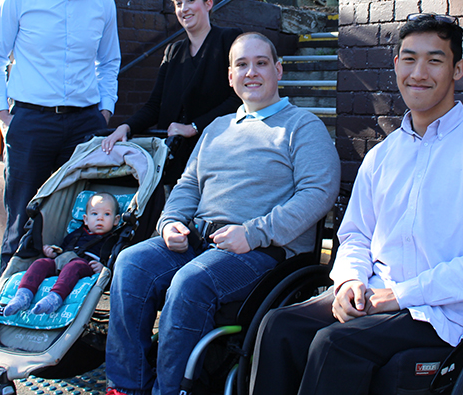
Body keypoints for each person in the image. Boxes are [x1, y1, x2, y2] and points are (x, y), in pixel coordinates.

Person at [249, 14, 463, 395]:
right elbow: (356, 234)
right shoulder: (382, 156)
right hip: (376, 293)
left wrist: (399, 296)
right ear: (396, 66)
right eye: (408, 59)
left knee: (335, 343)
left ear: (458, 69)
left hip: (446, 311)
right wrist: (349, 281)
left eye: (435, 60)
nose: (418, 73)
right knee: (279, 327)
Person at [105, 32, 341, 395]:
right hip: (198, 239)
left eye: (261, 63)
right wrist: (169, 222)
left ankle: (171, 390)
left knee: (190, 283)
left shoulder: (302, 126)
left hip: (261, 252)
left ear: (278, 70)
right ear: (230, 77)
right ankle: (127, 387)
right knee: (130, 264)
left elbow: (318, 193)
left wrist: (254, 233)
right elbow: (188, 186)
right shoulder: (216, 129)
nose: (252, 72)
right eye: (241, 65)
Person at [0, 0, 121, 274]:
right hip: (30, 122)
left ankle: (63, 306)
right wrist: (3, 116)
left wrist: (104, 113)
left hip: (84, 124)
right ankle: (4, 300)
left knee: (78, 215)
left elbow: (109, 62)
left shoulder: (103, 2)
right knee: (22, 212)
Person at [101, 0, 242, 186]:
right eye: (178, 3)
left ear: (208, 4)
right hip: (174, 158)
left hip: (214, 154)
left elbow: (238, 99)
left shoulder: (229, 40)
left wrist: (193, 126)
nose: (184, 8)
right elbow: (155, 105)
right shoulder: (173, 51)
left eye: (190, 0)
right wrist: (126, 127)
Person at [1, 192, 120, 316]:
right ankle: (23, 295)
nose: (100, 218)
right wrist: (52, 253)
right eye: (94, 214)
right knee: (40, 263)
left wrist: (103, 267)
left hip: (85, 266)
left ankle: (55, 297)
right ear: (85, 219)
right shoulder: (76, 234)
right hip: (63, 261)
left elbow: (114, 259)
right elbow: (63, 249)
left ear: (116, 220)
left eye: (106, 214)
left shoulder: (112, 239)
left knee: (74, 265)